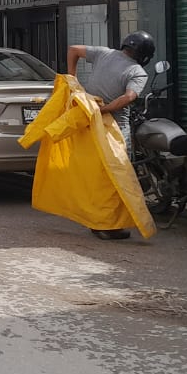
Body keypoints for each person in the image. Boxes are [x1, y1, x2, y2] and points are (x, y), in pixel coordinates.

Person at [65, 31, 155, 240]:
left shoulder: (104, 53)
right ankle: (108, 226)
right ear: (144, 54)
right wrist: (104, 111)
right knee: (118, 177)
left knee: (98, 176)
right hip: (114, 129)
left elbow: (73, 50)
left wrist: (73, 79)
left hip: (89, 124)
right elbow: (129, 97)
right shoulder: (137, 72)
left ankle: (97, 221)